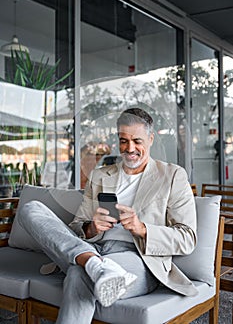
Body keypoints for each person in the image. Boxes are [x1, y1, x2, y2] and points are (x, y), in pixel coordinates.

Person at [18, 107, 197, 324]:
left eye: (137, 141)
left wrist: (142, 228)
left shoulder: (172, 175)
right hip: (93, 248)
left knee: (78, 274)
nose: (129, 148)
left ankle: (92, 265)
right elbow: (77, 226)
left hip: (137, 259)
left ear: (151, 139)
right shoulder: (101, 174)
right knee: (31, 208)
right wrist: (91, 228)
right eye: (123, 141)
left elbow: (187, 238)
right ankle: (95, 264)